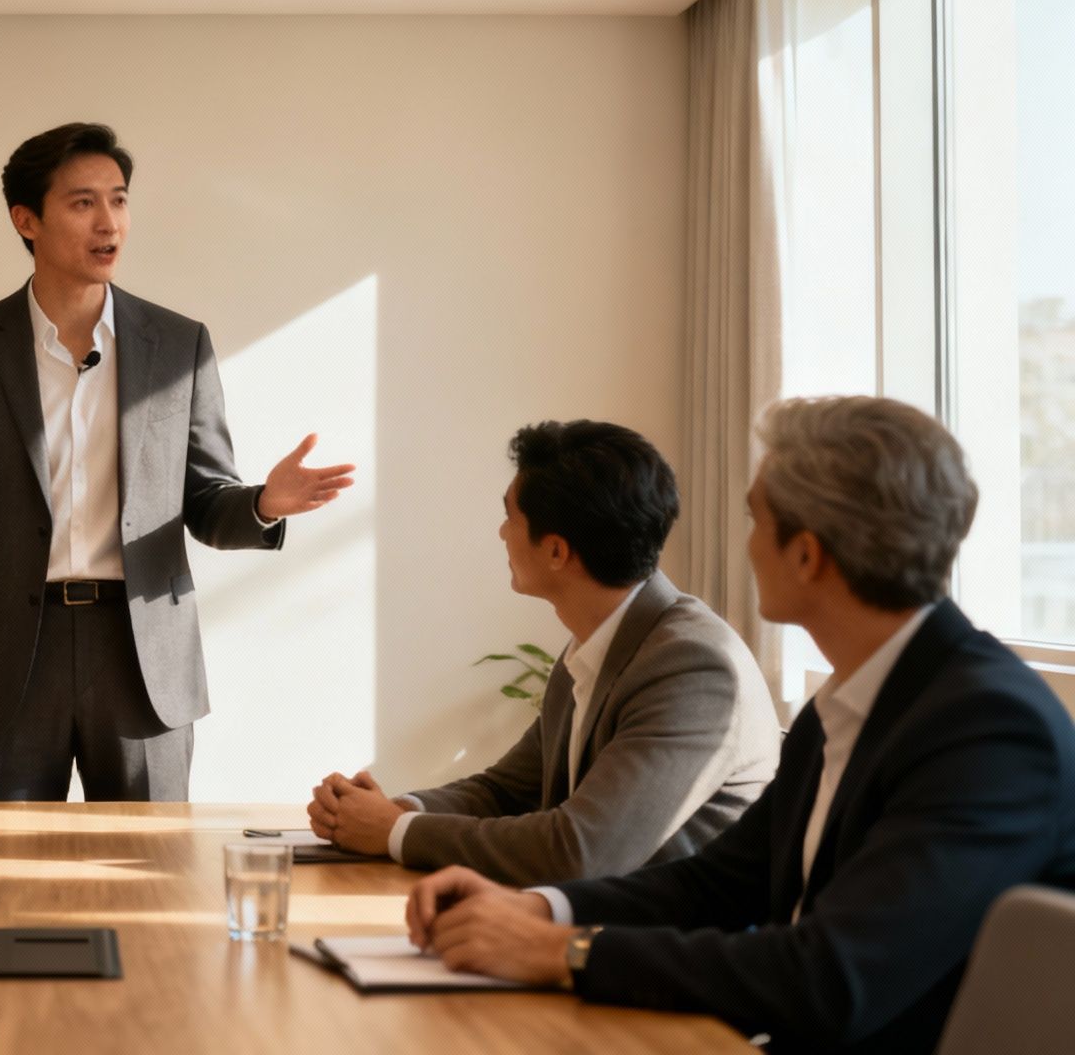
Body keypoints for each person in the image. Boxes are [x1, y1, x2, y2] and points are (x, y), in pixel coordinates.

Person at [404, 396, 1075, 1054]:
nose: (745, 543)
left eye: (756, 519)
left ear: (807, 555)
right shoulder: (847, 704)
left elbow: (829, 976)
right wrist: (543, 909)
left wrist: (566, 951)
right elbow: (717, 883)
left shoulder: (988, 730)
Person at [0, 122, 355, 801]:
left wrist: (262, 503)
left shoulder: (178, 344)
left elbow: (206, 502)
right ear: (27, 220)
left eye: (118, 199)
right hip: (10, 656)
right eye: (83, 203)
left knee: (152, 879)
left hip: (142, 652)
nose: (108, 221)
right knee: (4, 878)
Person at [306, 420, 779, 884]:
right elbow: (506, 791)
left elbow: (581, 850)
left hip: (665, 947)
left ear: (556, 551)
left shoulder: (693, 665)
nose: (501, 533)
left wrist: (393, 831)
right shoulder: (599, 644)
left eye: (510, 516)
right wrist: (395, 812)